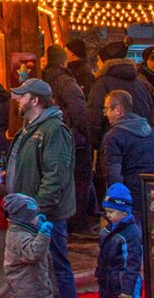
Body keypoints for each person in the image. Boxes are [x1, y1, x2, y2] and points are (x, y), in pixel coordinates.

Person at [1, 77, 76, 298]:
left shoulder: (53, 130)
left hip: (45, 215)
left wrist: (37, 211)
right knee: (40, 270)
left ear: (34, 100)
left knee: (57, 267)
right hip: (32, 214)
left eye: (22, 96)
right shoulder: (29, 129)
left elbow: (56, 177)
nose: (17, 100)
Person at [100, 89, 154, 226]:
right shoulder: (153, 133)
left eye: (107, 109)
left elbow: (113, 175)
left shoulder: (113, 137)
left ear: (118, 110)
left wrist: (116, 205)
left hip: (131, 199)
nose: (105, 114)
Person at [42, 45, 93, 234]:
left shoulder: (43, 79)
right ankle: (77, 222)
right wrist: (89, 136)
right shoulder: (66, 81)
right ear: (64, 61)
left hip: (53, 137)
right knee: (80, 180)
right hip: (73, 137)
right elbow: (80, 111)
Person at [85, 40, 154, 149]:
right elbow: (150, 111)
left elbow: (94, 115)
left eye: (99, 60)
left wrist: (96, 143)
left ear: (106, 62)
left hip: (113, 142)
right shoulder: (139, 83)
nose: (97, 63)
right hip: (140, 142)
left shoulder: (102, 83)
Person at [2, 193, 54, 298]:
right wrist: (43, 234)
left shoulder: (25, 230)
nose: (37, 218)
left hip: (37, 284)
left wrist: (37, 229)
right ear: (24, 219)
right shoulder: (17, 236)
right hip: (26, 289)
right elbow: (34, 254)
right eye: (34, 216)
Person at [95, 184, 143, 298]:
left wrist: (127, 291)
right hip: (108, 281)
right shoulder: (107, 229)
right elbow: (102, 257)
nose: (108, 215)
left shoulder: (131, 233)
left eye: (111, 211)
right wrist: (100, 276)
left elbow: (132, 265)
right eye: (106, 211)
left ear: (125, 212)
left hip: (122, 284)